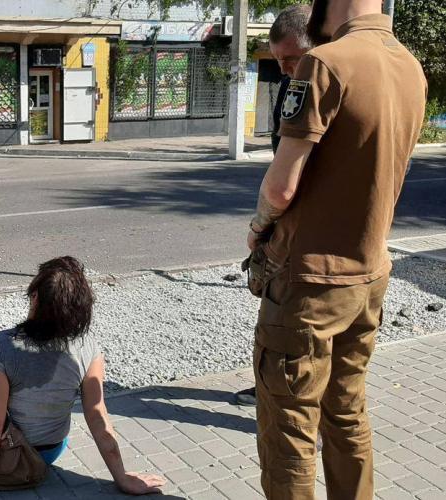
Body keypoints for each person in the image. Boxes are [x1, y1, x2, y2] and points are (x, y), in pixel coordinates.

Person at [246, 0, 427, 498]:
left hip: (310, 285)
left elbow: (281, 188)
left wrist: (259, 228)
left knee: (290, 434)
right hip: (369, 275)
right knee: (347, 415)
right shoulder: (409, 65)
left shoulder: (325, 63)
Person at [0, 257, 166, 495]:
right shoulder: (88, 347)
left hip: (7, 456)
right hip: (51, 452)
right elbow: (98, 416)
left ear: (36, 297)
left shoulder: (2, 346)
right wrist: (122, 478)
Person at [235, 4, 312, 407]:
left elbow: (284, 188)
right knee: (277, 324)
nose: (283, 69)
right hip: (290, 232)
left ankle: (293, 407)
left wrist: (258, 229)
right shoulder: (292, 86)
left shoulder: (324, 86)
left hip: (303, 240)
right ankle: (270, 388)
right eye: (278, 59)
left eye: (291, 59)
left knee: (292, 330)